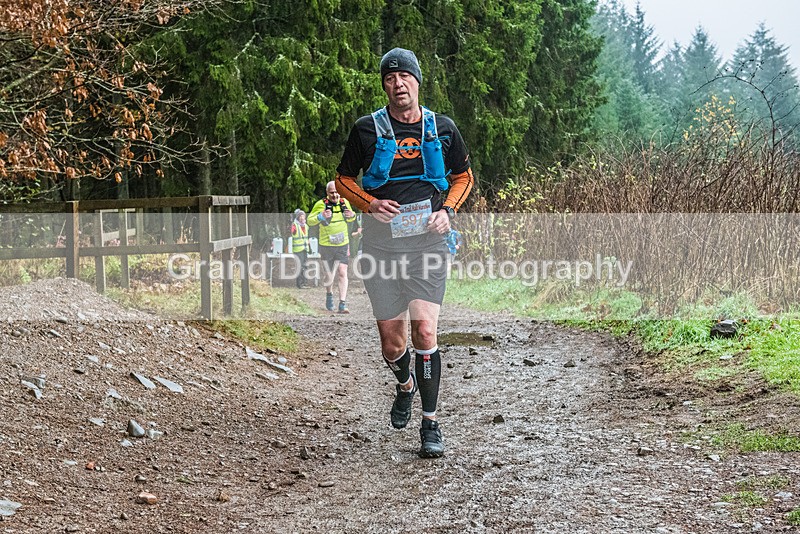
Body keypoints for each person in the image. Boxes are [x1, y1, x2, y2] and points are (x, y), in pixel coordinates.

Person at [335, 47, 474, 458]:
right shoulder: (365, 130)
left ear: (417, 81)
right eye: (390, 79)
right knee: (392, 344)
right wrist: (369, 204)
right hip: (380, 247)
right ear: (384, 86)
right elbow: (343, 180)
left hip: (428, 245)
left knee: (425, 331)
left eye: (405, 77)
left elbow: (463, 176)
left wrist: (447, 211)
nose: (398, 84)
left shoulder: (443, 128)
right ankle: (404, 384)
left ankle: (430, 425)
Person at [308, 180, 356, 313]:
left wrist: (352, 216)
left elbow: (351, 218)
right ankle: (329, 294)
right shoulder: (320, 205)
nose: (335, 195)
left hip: (342, 244)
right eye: (332, 193)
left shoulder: (344, 203)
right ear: (327, 193)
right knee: (329, 275)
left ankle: (342, 303)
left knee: (342, 272)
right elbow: (309, 221)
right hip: (326, 245)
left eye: (337, 192)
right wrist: (320, 216)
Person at [289, 209, 310, 288]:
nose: (302, 218)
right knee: (300, 266)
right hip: (298, 250)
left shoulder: (306, 226)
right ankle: (300, 284)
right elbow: (292, 232)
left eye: (303, 216)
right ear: (298, 217)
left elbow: (306, 237)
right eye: (300, 216)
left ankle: (305, 283)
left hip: (305, 249)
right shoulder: (294, 225)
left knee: (305, 266)